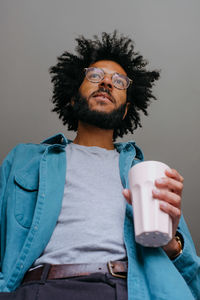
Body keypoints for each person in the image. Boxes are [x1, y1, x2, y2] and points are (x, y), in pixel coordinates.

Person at [0, 31, 199, 300]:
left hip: (122, 291)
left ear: (126, 110)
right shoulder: (24, 160)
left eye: (118, 81)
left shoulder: (145, 176)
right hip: (37, 290)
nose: (106, 82)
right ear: (72, 98)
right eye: (94, 76)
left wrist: (171, 243)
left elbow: (193, 280)